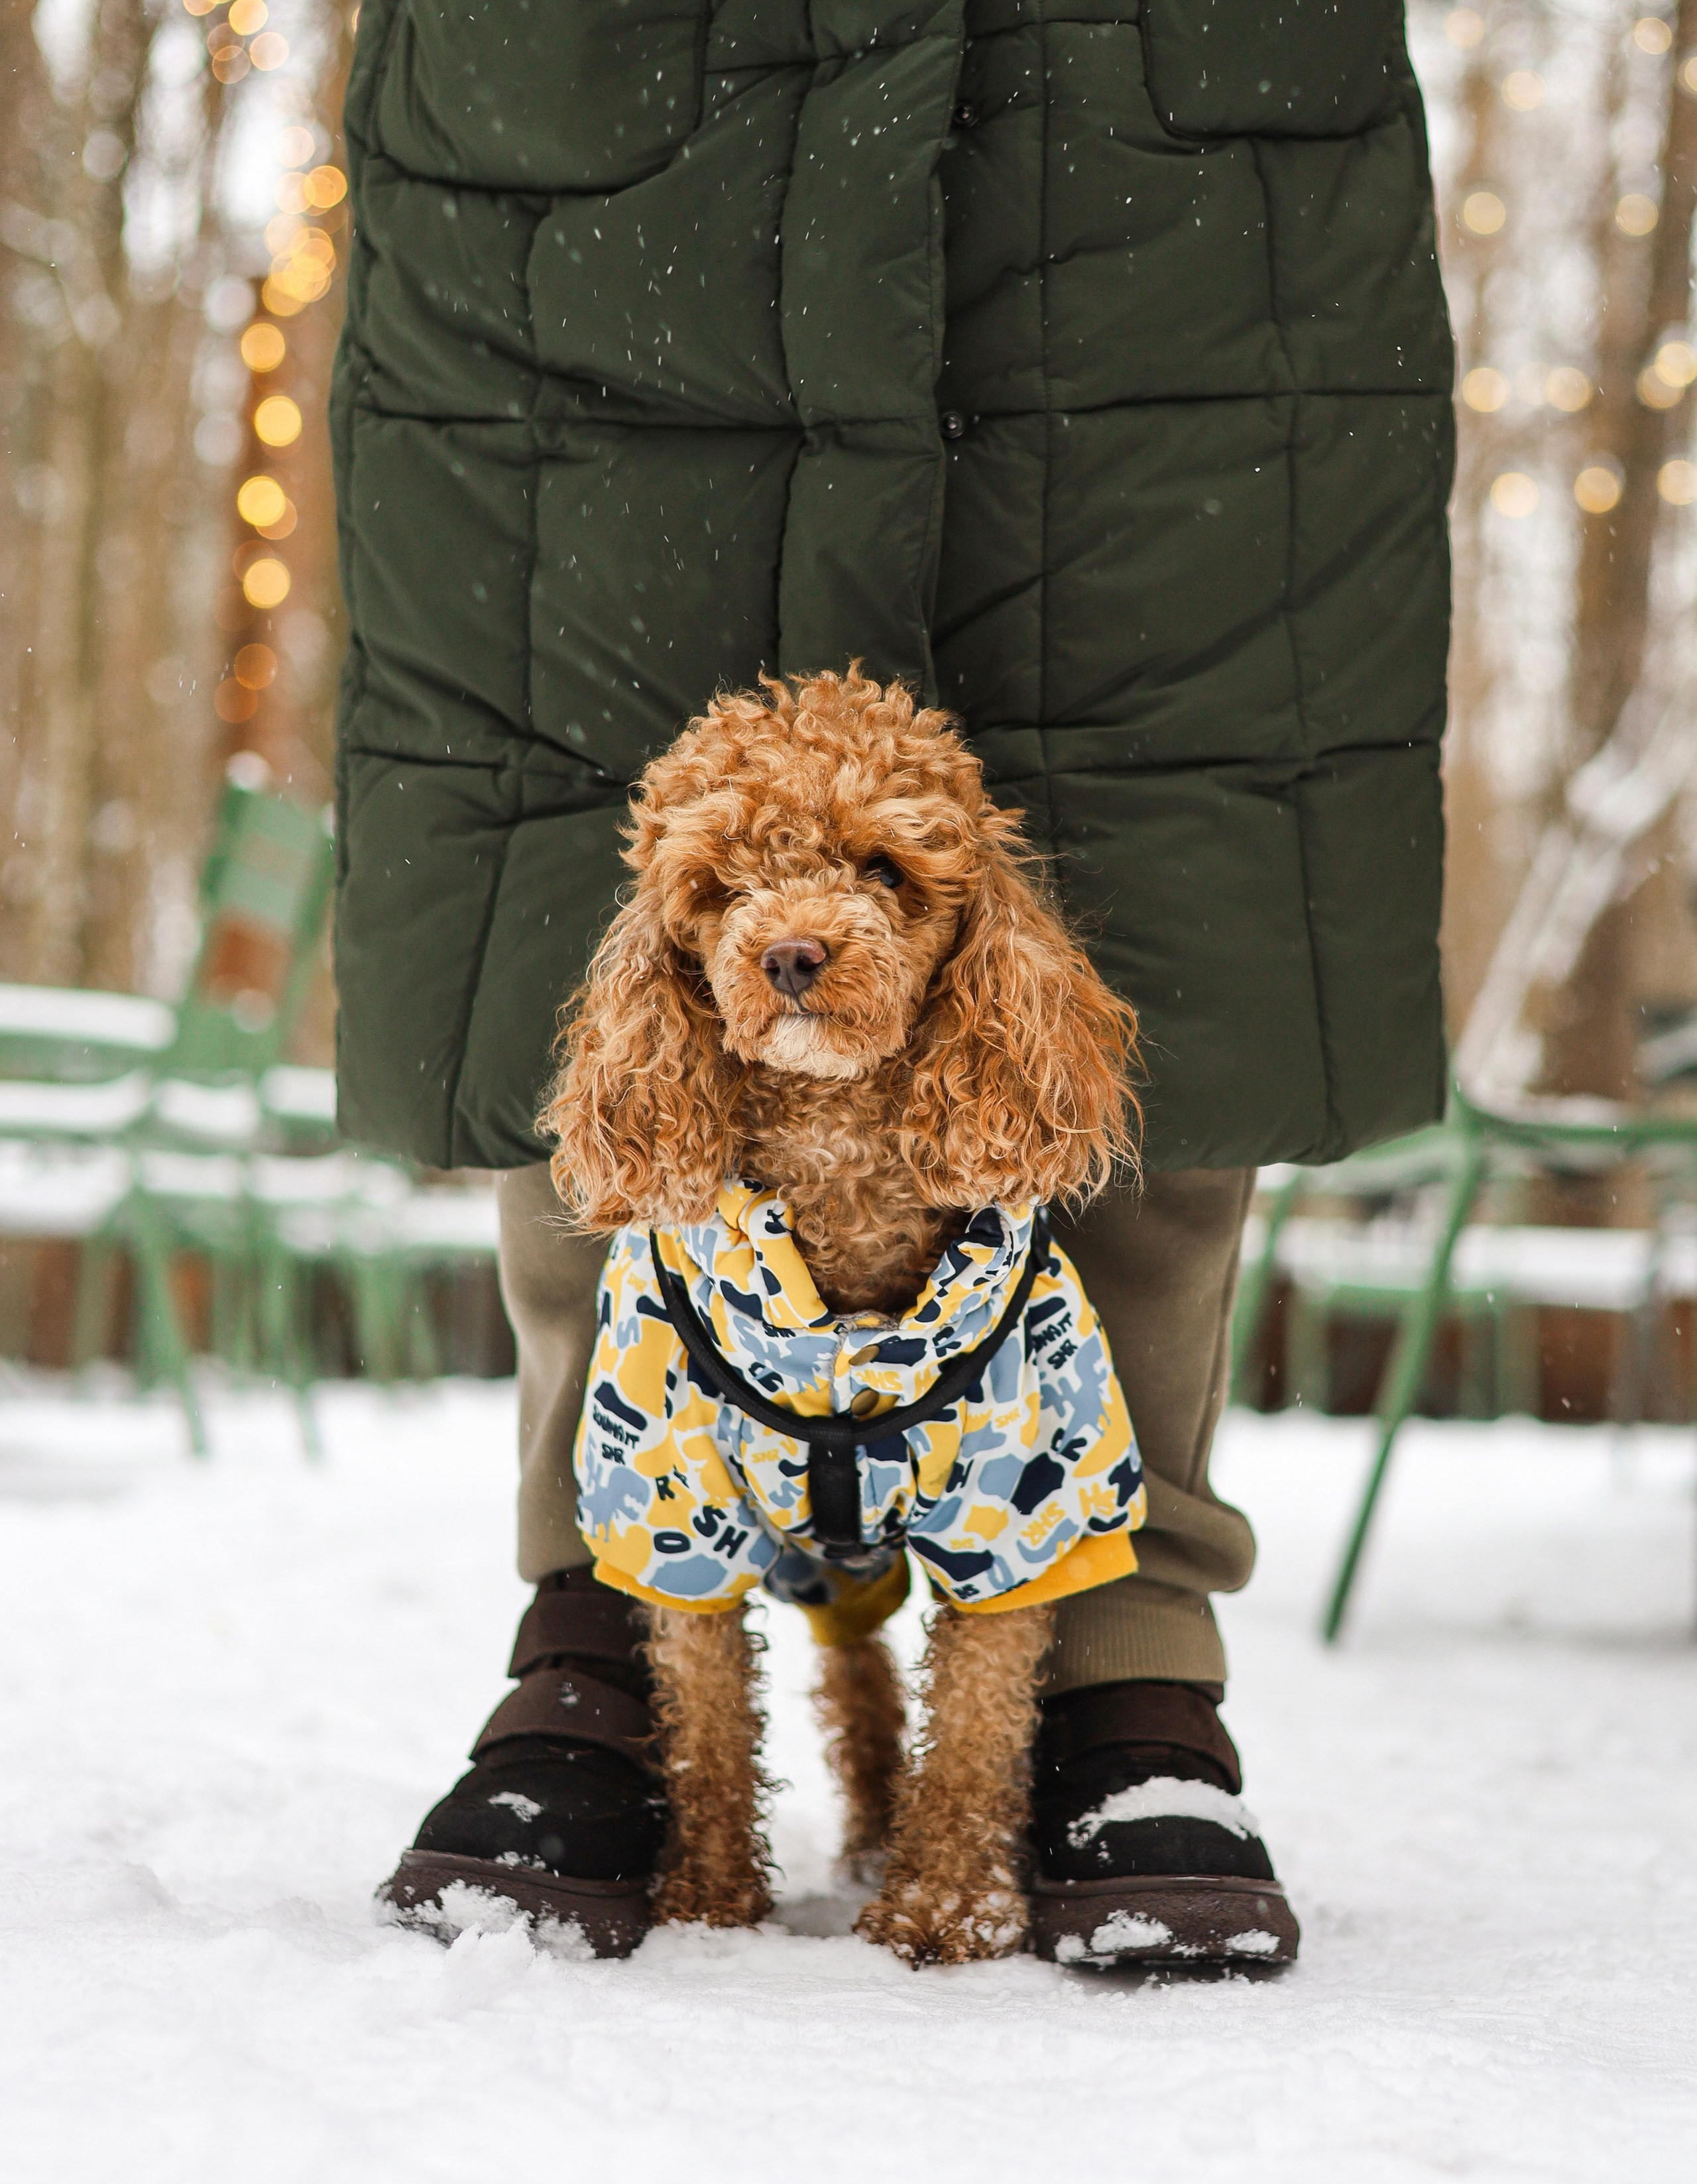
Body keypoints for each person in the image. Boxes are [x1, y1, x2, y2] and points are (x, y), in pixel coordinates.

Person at [331, 0, 1452, 1952]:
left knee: (1181, 819)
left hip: (1161, 132)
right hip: (594, 144)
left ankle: (1120, 1648)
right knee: (554, 792)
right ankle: (603, 1610)